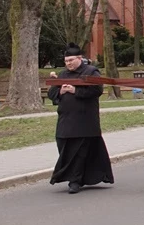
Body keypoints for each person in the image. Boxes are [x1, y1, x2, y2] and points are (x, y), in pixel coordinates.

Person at [47, 43, 114, 194]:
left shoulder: (91, 71)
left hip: (84, 122)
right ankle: (75, 176)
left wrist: (75, 90)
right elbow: (52, 94)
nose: (68, 63)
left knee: (78, 152)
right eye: (66, 61)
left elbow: (97, 90)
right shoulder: (63, 75)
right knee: (63, 146)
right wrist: (61, 92)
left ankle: (75, 181)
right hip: (65, 120)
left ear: (79, 58)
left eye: (71, 60)